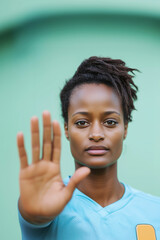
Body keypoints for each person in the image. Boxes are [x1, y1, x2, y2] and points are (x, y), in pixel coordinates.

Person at [17, 56, 160, 240]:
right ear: (67, 129)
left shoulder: (154, 211)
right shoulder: (48, 203)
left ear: (125, 128)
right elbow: (36, 216)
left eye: (110, 122)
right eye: (82, 122)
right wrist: (34, 216)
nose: (96, 134)